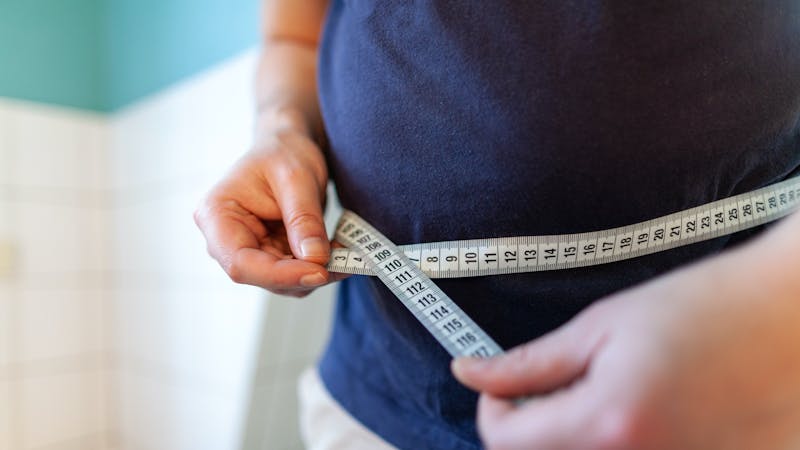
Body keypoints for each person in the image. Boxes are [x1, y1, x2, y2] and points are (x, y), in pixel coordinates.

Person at [194, 1, 800, 449]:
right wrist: (280, 127)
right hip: (377, 403)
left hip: (728, 397)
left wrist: (778, 319)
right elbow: (295, 32)